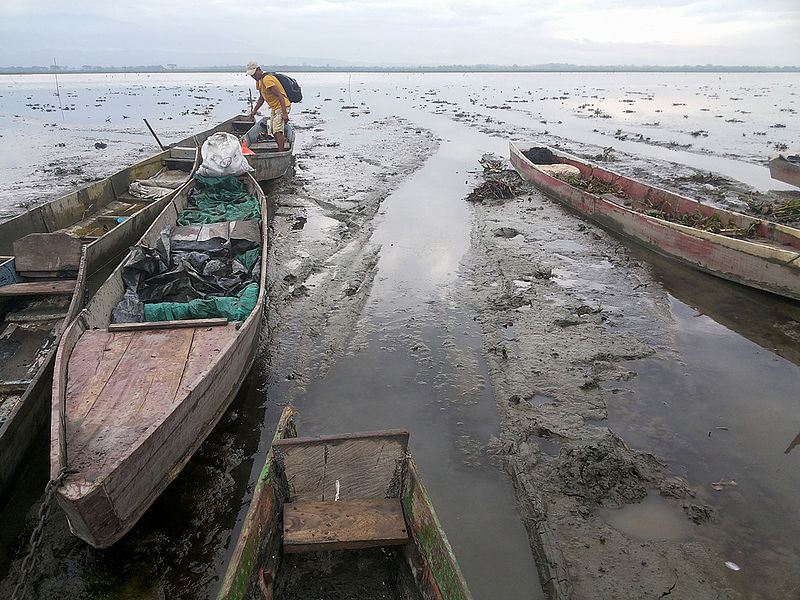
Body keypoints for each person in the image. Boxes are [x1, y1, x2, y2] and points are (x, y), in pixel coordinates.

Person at [245, 61, 291, 152]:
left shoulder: (267, 79)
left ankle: (281, 153)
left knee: (278, 130)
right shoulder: (259, 81)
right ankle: (280, 149)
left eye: (254, 74)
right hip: (275, 107)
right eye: (251, 75)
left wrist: (285, 114)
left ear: (258, 70)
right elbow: (261, 98)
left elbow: (280, 95)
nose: (253, 77)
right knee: (273, 130)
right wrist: (254, 111)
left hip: (282, 106)